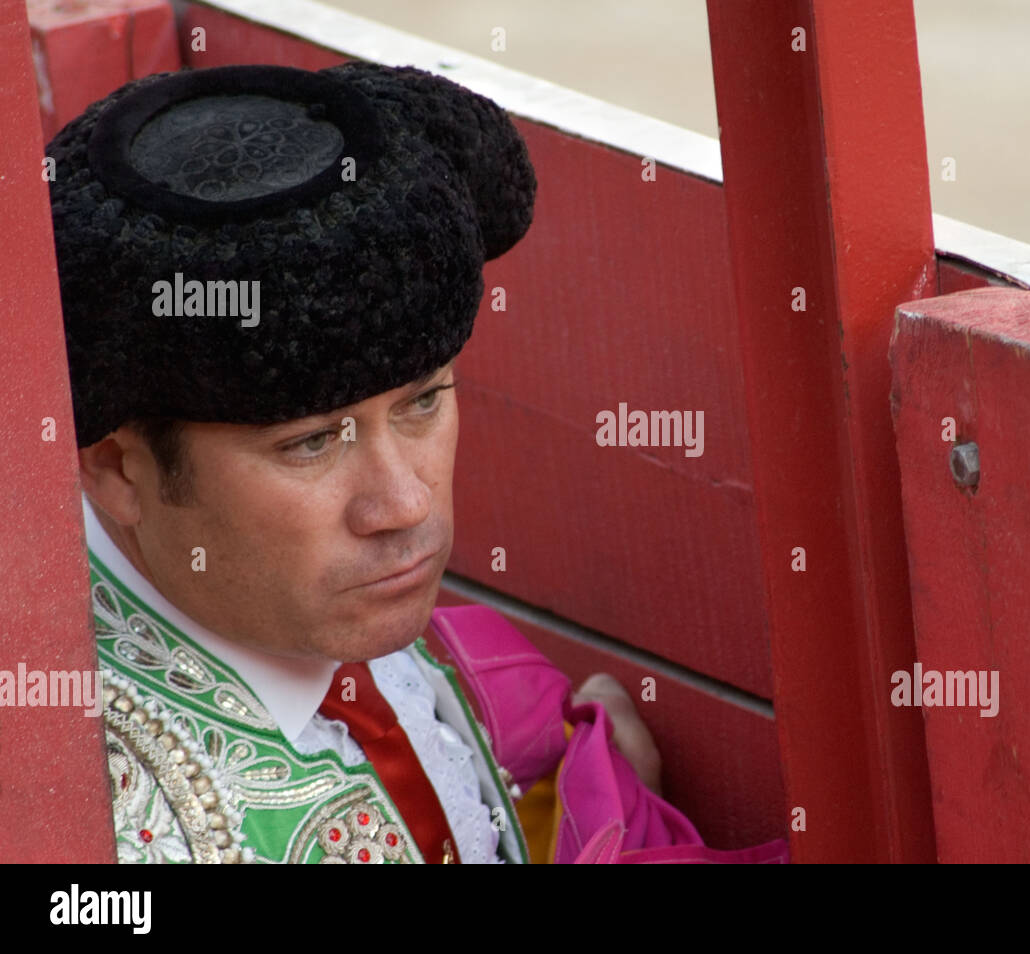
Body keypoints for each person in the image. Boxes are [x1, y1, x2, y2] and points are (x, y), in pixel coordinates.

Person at [49, 59, 787, 864]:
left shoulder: (284, 599)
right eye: (310, 443)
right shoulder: (98, 828)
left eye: (423, 403)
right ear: (120, 469)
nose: (403, 506)